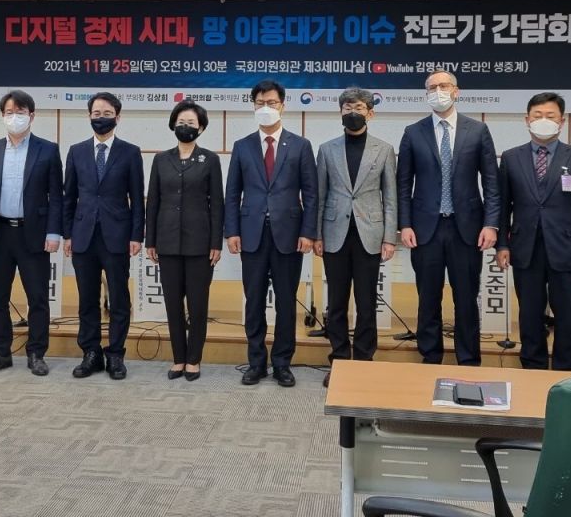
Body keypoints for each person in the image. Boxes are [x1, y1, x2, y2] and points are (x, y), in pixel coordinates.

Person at [396, 72, 500, 366]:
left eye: (444, 86)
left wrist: (490, 224)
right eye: (432, 87)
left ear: (456, 91)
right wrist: (405, 224)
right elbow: (403, 184)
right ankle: (430, 356)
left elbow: (491, 182)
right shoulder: (413, 132)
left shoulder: (478, 130)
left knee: (466, 298)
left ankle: (468, 359)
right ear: (426, 94)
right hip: (424, 229)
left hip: (466, 229)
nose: (438, 91)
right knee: (428, 298)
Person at [497, 92, 571, 371]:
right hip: (525, 248)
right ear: (527, 120)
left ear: (562, 121)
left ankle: (566, 367)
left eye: (550, 116)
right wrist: (502, 245)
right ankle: (532, 365)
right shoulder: (511, 157)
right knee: (529, 313)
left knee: (568, 314)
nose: (543, 120)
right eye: (538, 115)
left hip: (567, 249)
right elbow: (502, 206)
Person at [225, 79, 318, 387]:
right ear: (253, 106)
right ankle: (256, 362)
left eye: (272, 103)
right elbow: (232, 193)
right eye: (260, 103)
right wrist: (231, 231)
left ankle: (282, 363)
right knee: (253, 301)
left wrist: (308, 232)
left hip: (289, 235)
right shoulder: (242, 146)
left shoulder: (301, 145)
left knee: (286, 302)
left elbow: (311, 193)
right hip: (251, 234)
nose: (266, 108)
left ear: (283, 106)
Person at [0, 90, 63, 377]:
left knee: (37, 297)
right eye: (9, 112)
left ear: (31, 116)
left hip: (33, 234)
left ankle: (36, 353)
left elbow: (56, 197)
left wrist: (54, 232)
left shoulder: (48, 150)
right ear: (2, 116)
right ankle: (1, 352)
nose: (15, 117)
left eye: (20, 112)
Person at [315, 87, 397, 388]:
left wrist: (390, 237)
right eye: (347, 108)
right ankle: (338, 359)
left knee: (366, 302)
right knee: (336, 303)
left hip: (369, 235)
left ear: (370, 113)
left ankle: (363, 360)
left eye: (359, 107)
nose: (353, 113)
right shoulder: (326, 149)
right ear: (340, 112)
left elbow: (390, 197)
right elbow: (320, 196)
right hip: (334, 234)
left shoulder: (384, 149)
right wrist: (317, 235)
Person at [63, 92, 144, 380]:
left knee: (119, 298)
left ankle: (116, 355)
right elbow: (68, 196)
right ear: (89, 116)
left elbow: (137, 198)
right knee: (87, 298)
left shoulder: (130, 152)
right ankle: (91, 353)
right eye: (96, 113)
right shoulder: (76, 151)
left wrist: (136, 235)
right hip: (83, 235)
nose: (101, 118)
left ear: (117, 117)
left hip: (117, 235)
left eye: (107, 113)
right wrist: (68, 234)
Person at [145, 100, 224, 381]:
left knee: (198, 305)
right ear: (173, 125)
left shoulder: (210, 160)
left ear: (200, 128)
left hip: (200, 243)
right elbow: (153, 202)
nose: (185, 127)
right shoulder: (160, 160)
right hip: (166, 241)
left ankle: (194, 359)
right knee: (173, 304)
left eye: (191, 123)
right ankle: (178, 358)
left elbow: (217, 204)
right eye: (181, 122)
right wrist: (150, 240)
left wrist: (216, 243)